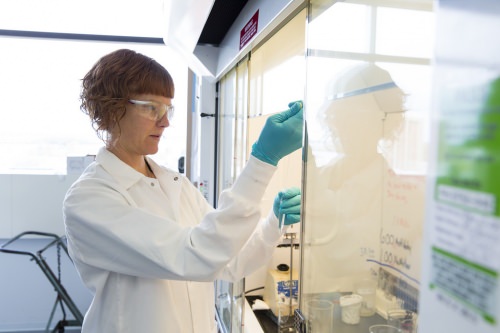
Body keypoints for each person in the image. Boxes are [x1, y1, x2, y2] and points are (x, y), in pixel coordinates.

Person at [62, 48, 303, 333]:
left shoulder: (175, 184)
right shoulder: (89, 200)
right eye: (151, 107)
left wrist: (274, 224)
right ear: (111, 108)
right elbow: (196, 256)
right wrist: (262, 161)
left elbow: (228, 262)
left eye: (167, 109)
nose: (164, 122)